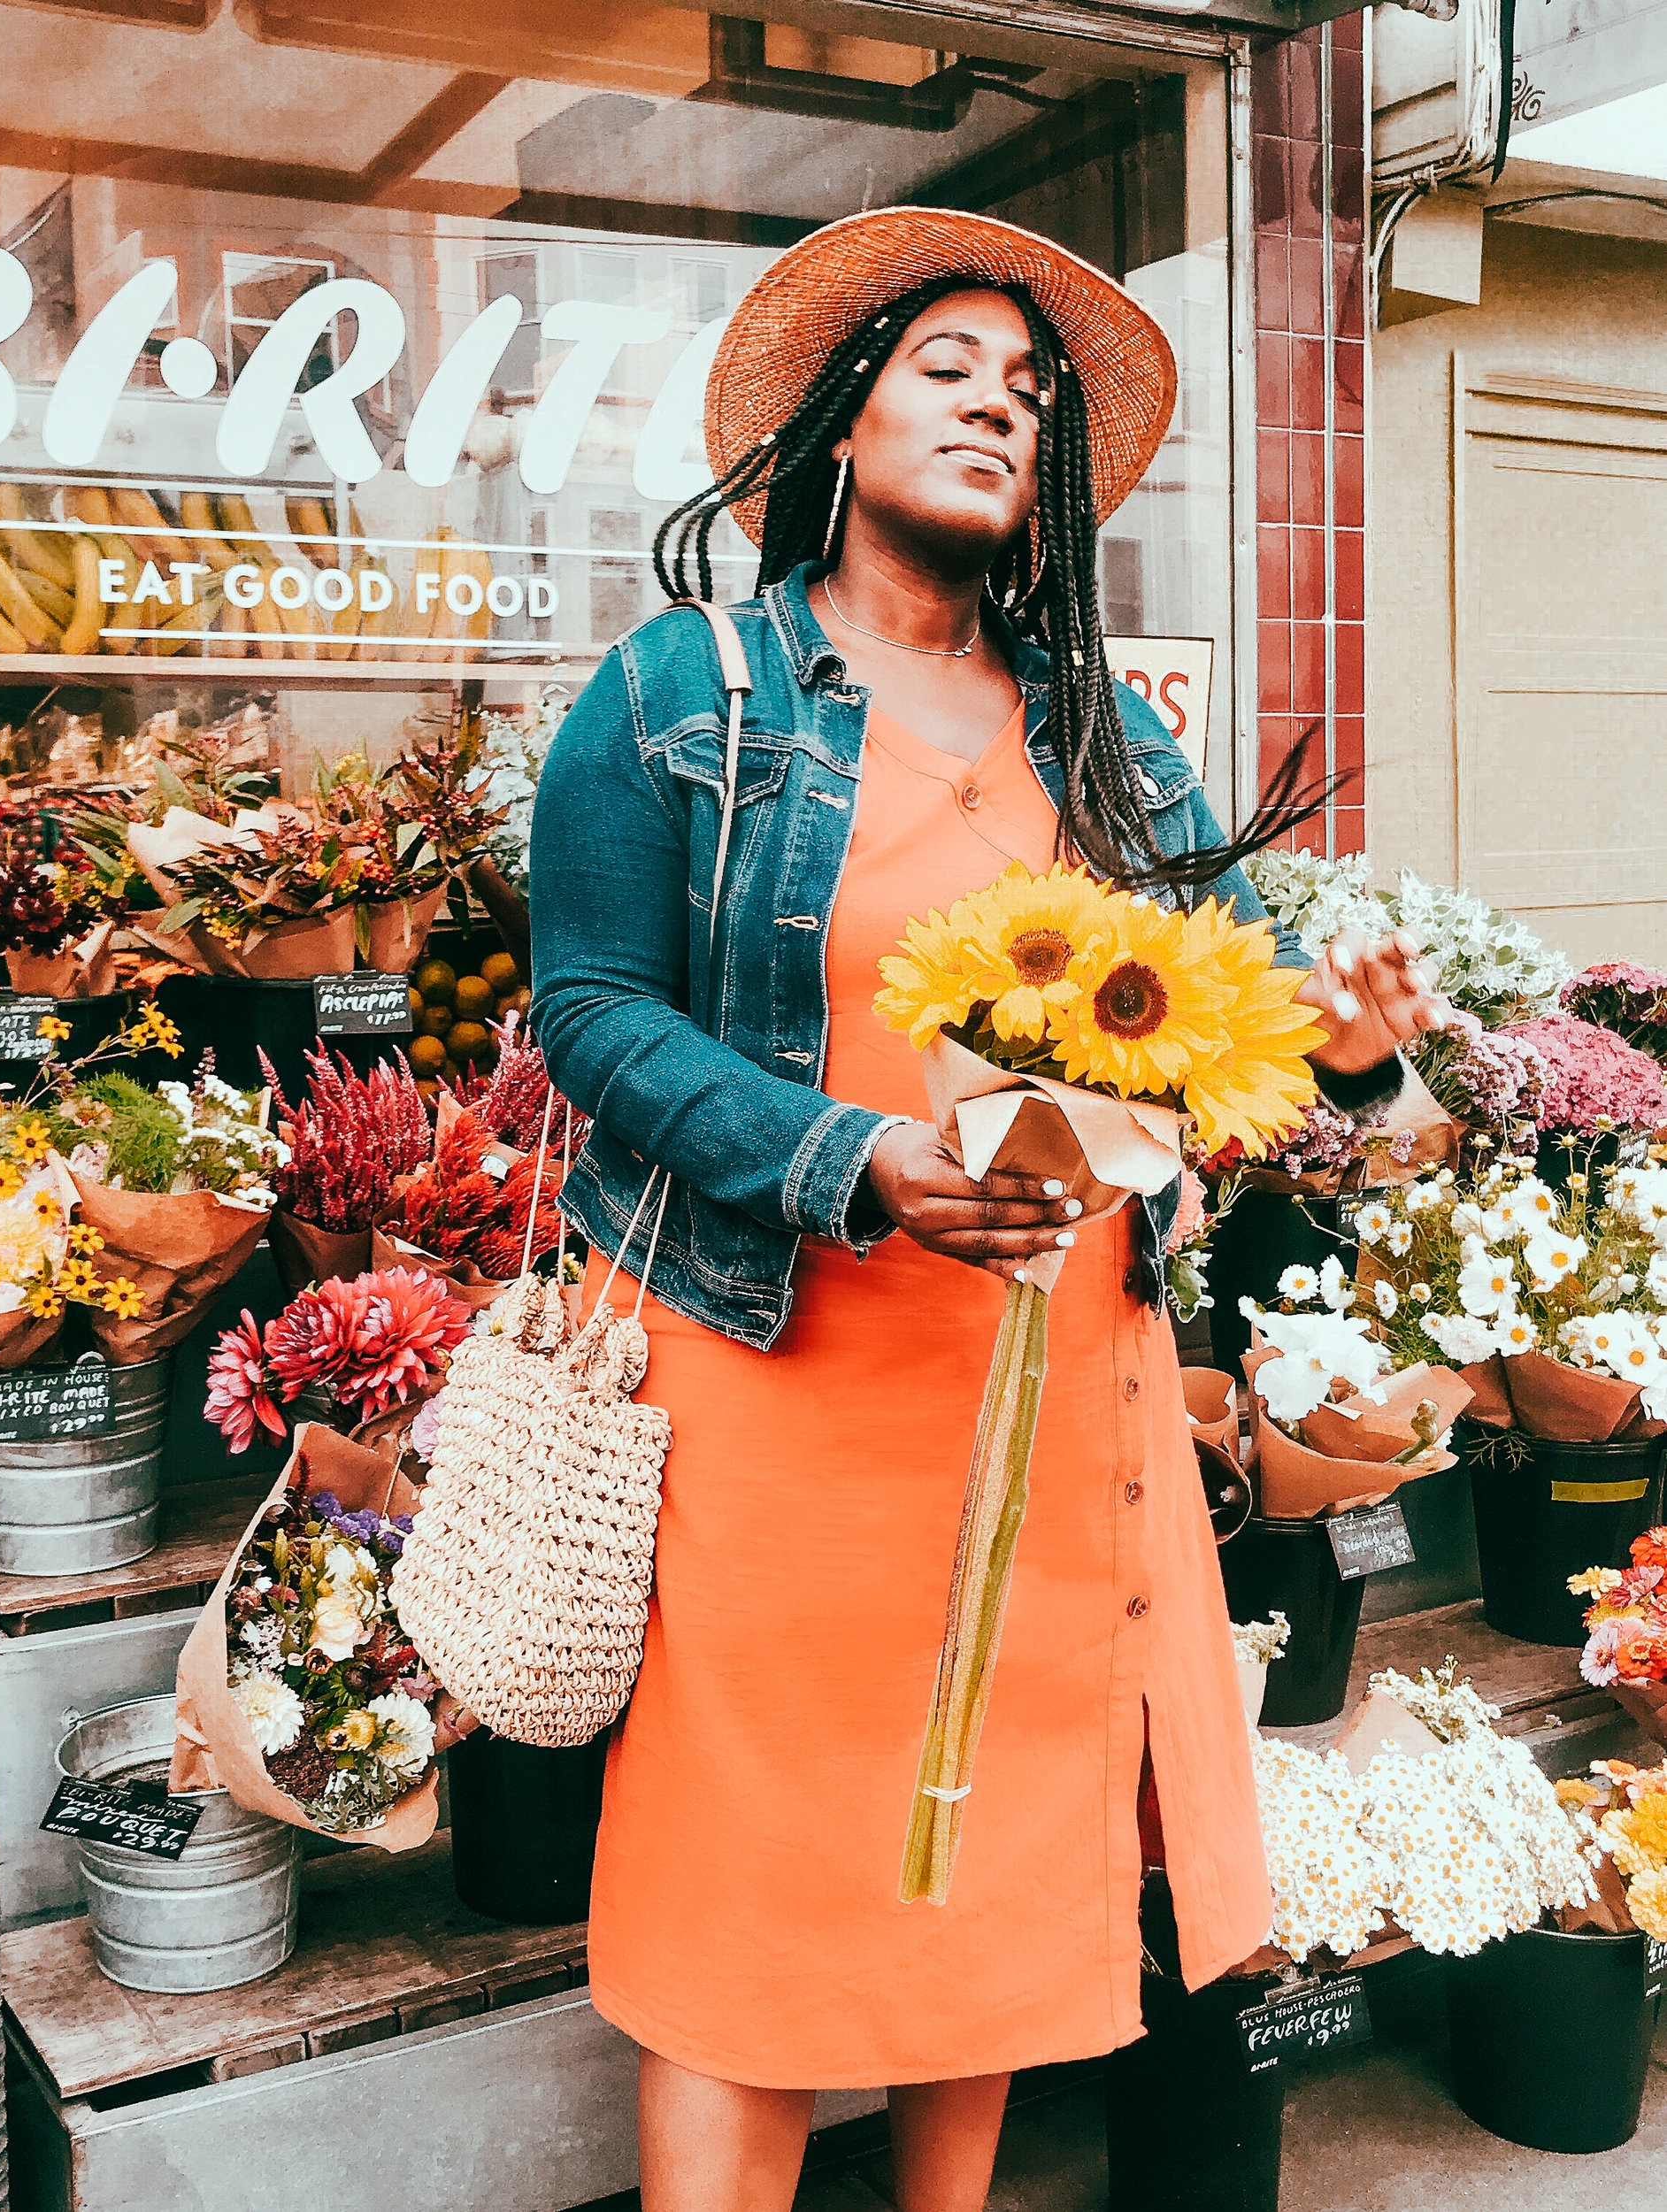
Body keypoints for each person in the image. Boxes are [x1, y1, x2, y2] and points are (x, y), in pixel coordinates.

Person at [527, 209, 1446, 2212]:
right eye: (945, 366)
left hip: (1049, 1401)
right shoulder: (687, 688)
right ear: (840, 417)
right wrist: (846, 1157)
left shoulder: (1110, 743)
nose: (993, 408)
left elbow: (1231, 1032)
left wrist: (1358, 1058)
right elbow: (584, 1008)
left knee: (996, 1873)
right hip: (773, 1384)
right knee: (751, 1885)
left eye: (1024, 393)